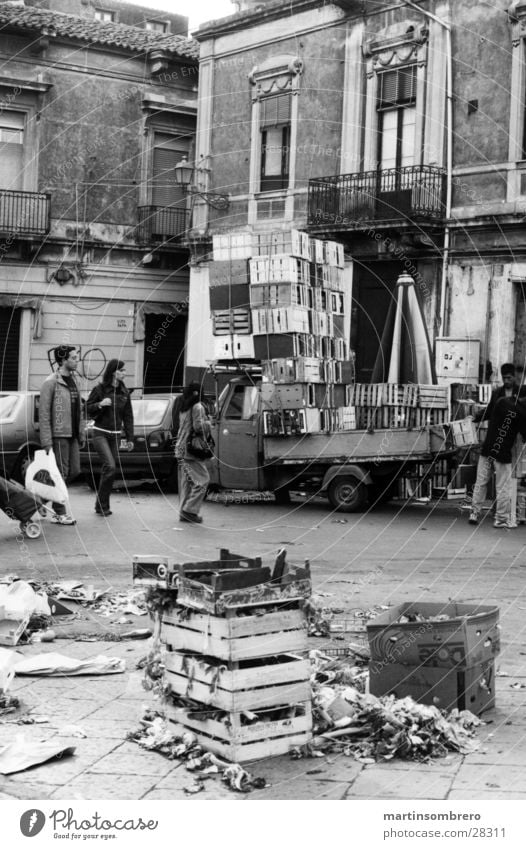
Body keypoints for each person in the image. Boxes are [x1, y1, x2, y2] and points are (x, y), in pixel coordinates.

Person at [39, 345, 86, 525]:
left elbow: (79, 410)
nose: (76, 361)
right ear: (63, 360)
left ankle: (40, 499)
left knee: (74, 471)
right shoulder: (51, 382)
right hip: (58, 434)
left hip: (73, 434)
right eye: (73, 358)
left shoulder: (75, 380)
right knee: (61, 473)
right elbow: (43, 414)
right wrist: (46, 442)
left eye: (76, 357)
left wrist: (80, 434)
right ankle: (60, 513)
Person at [469, 394, 526, 528]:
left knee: (481, 482)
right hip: (502, 453)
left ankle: (474, 512)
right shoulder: (522, 411)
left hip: (488, 448)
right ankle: (501, 518)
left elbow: (487, 414)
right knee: (503, 486)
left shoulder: (501, 401)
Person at [86, 359, 134, 517]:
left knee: (110, 470)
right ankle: (102, 504)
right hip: (100, 433)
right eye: (122, 370)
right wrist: (100, 404)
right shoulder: (100, 389)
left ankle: (101, 505)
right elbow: (86, 408)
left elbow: (128, 417)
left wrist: (130, 438)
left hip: (115, 435)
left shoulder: (124, 392)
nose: (124, 373)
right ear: (114, 372)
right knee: (110, 466)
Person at [174, 382, 212, 524]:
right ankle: (189, 511)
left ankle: (183, 512)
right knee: (203, 480)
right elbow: (198, 427)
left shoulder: (184, 407)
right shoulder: (198, 407)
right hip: (191, 449)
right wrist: (209, 423)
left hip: (180, 447)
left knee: (187, 483)